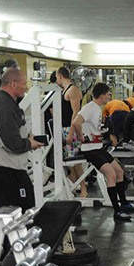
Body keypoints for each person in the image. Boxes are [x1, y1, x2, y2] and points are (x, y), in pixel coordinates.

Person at [66, 82, 134, 221]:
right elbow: (76, 122)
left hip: (98, 148)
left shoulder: (97, 108)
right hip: (90, 150)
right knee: (111, 175)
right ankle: (117, 212)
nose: (109, 97)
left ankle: (124, 203)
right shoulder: (89, 108)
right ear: (101, 96)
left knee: (119, 172)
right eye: (108, 95)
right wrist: (82, 137)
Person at [0, 68, 44, 211]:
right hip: (6, 170)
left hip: (5, 168)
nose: (26, 87)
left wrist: (28, 139)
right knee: (21, 212)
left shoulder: (3, 103)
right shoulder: (3, 106)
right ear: (13, 83)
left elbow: (11, 133)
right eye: (24, 83)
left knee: (11, 213)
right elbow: (11, 143)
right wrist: (29, 143)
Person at [55, 67, 87, 197]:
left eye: (56, 77)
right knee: (70, 164)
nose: (56, 80)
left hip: (71, 129)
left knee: (76, 162)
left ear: (60, 76)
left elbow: (76, 113)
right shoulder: (64, 91)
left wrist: (70, 133)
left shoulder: (73, 90)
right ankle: (72, 189)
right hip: (65, 129)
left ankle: (84, 189)